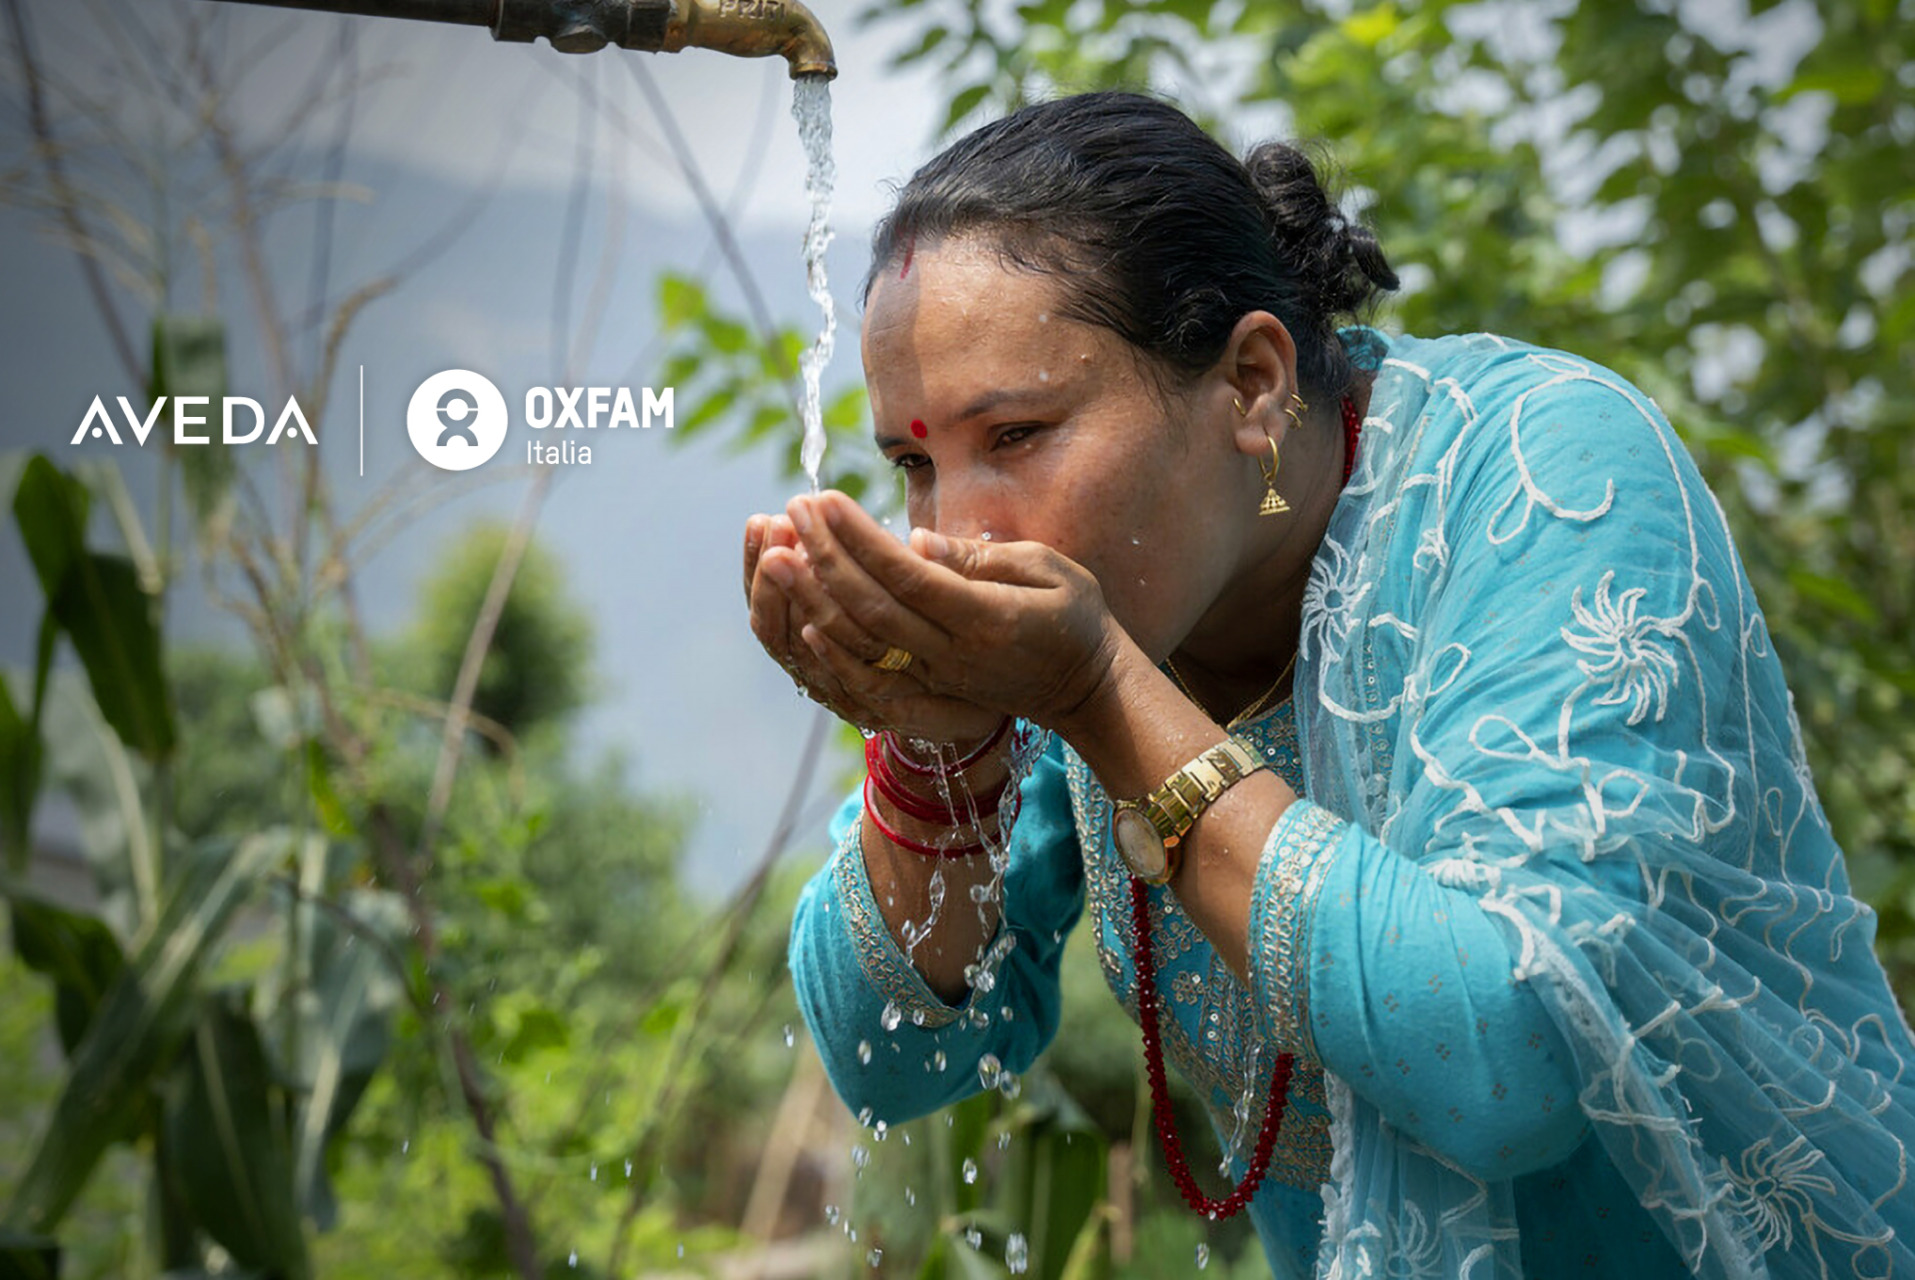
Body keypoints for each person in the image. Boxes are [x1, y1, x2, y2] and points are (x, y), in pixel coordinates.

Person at [743, 90, 1915, 1278]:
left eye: (1015, 437)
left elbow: (1510, 1062)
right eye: (912, 464)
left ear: (1252, 382)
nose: (952, 532)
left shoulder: (1542, 477)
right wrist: (938, 747)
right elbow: (889, 1059)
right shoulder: (1089, 614)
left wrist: (1101, 694)